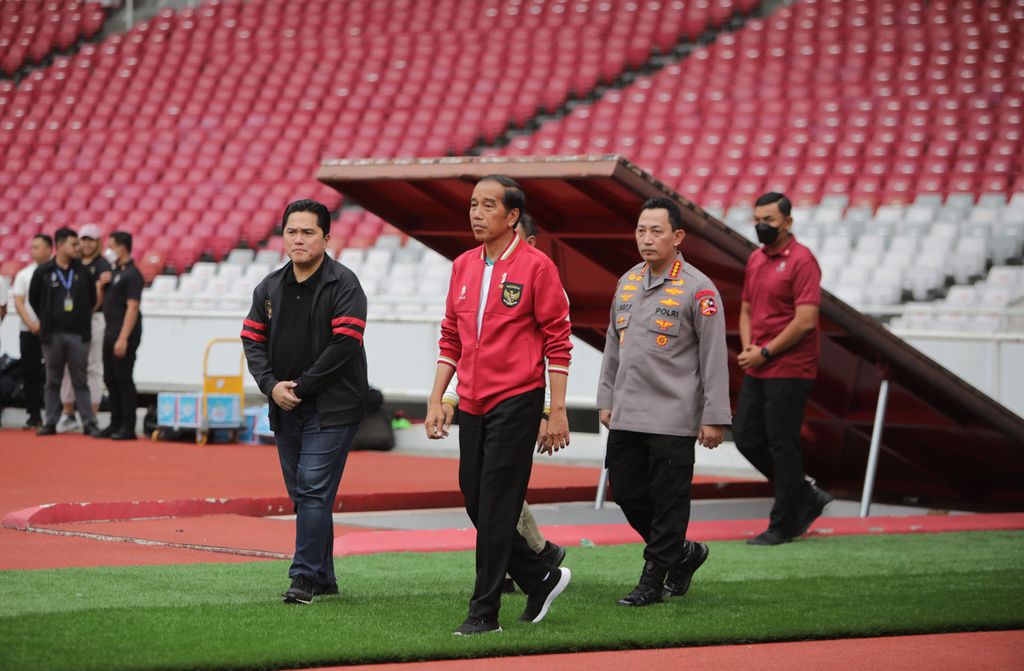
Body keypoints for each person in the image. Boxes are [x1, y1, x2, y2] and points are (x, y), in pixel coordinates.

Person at [424, 175, 573, 636]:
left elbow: (558, 341)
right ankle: (540, 575)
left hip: (517, 399)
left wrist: (558, 409)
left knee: (497, 507)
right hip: (472, 400)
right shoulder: (463, 265)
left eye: (488, 205)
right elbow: (451, 336)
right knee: (475, 496)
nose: (476, 213)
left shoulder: (538, 267)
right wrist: (436, 397)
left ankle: (484, 612)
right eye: (473, 204)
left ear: (512, 217)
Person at [596, 197, 731, 607]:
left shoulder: (698, 288)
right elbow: (612, 347)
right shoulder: (627, 282)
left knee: (669, 500)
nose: (647, 239)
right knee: (626, 491)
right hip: (628, 413)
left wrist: (714, 417)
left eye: (656, 231)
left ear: (677, 236)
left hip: (674, 416)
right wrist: (606, 397)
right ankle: (683, 553)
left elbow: (713, 356)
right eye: (641, 230)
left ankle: (652, 579)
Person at [241, 199, 368, 604]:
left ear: (327, 238)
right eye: (292, 231)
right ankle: (325, 576)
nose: (299, 239)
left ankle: (304, 577)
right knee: (305, 494)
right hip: (285, 405)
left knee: (313, 491)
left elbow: (344, 344)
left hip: (334, 408)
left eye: (308, 232)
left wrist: (301, 387)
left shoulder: (344, 284)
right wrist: (271, 386)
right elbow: (252, 339)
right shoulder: (269, 288)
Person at [734, 192, 832, 546]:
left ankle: (783, 523)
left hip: (789, 366)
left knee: (781, 443)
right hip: (759, 363)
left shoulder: (803, 261)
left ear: (788, 222)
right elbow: (746, 308)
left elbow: (806, 321)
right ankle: (803, 494)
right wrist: (749, 347)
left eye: (770, 220)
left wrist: (765, 350)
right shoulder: (757, 258)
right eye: (758, 218)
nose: (762, 225)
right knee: (745, 437)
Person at [29, 228, 101, 437]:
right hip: (52, 335)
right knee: (53, 380)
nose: (78, 248)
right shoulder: (44, 271)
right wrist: (46, 317)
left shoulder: (82, 272)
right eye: (73, 244)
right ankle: (50, 421)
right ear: (60, 246)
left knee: (81, 380)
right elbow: (34, 298)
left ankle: (89, 422)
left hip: (78, 335)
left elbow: (91, 299)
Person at [57, 224, 110, 433]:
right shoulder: (73, 264)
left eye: (91, 240)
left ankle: (92, 416)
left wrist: (93, 296)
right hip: (72, 321)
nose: (87, 244)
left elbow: (98, 301)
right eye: (84, 240)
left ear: (97, 242)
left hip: (94, 318)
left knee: (93, 367)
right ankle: (68, 413)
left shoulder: (102, 265)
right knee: (68, 367)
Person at [98, 231, 143, 440]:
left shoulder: (133, 275)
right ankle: (115, 423)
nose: (109, 250)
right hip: (109, 332)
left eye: (111, 245)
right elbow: (100, 304)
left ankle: (128, 426)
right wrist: (100, 286)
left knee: (123, 379)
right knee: (109, 378)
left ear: (122, 248)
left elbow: (132, 308)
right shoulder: (114, 273)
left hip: (123, 335)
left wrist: (123, 338)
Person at [12, 234, 52, 429]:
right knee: (30, 372)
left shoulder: (56, 272)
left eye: (37, 247)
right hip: (28, 330)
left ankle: (54, 414)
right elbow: (18, 302)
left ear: (49, 249)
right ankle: (33, 414)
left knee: (54, 373)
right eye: (32, 247)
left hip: (52, 331)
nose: (32, 251)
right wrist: (32, 324)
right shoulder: (23, 274)